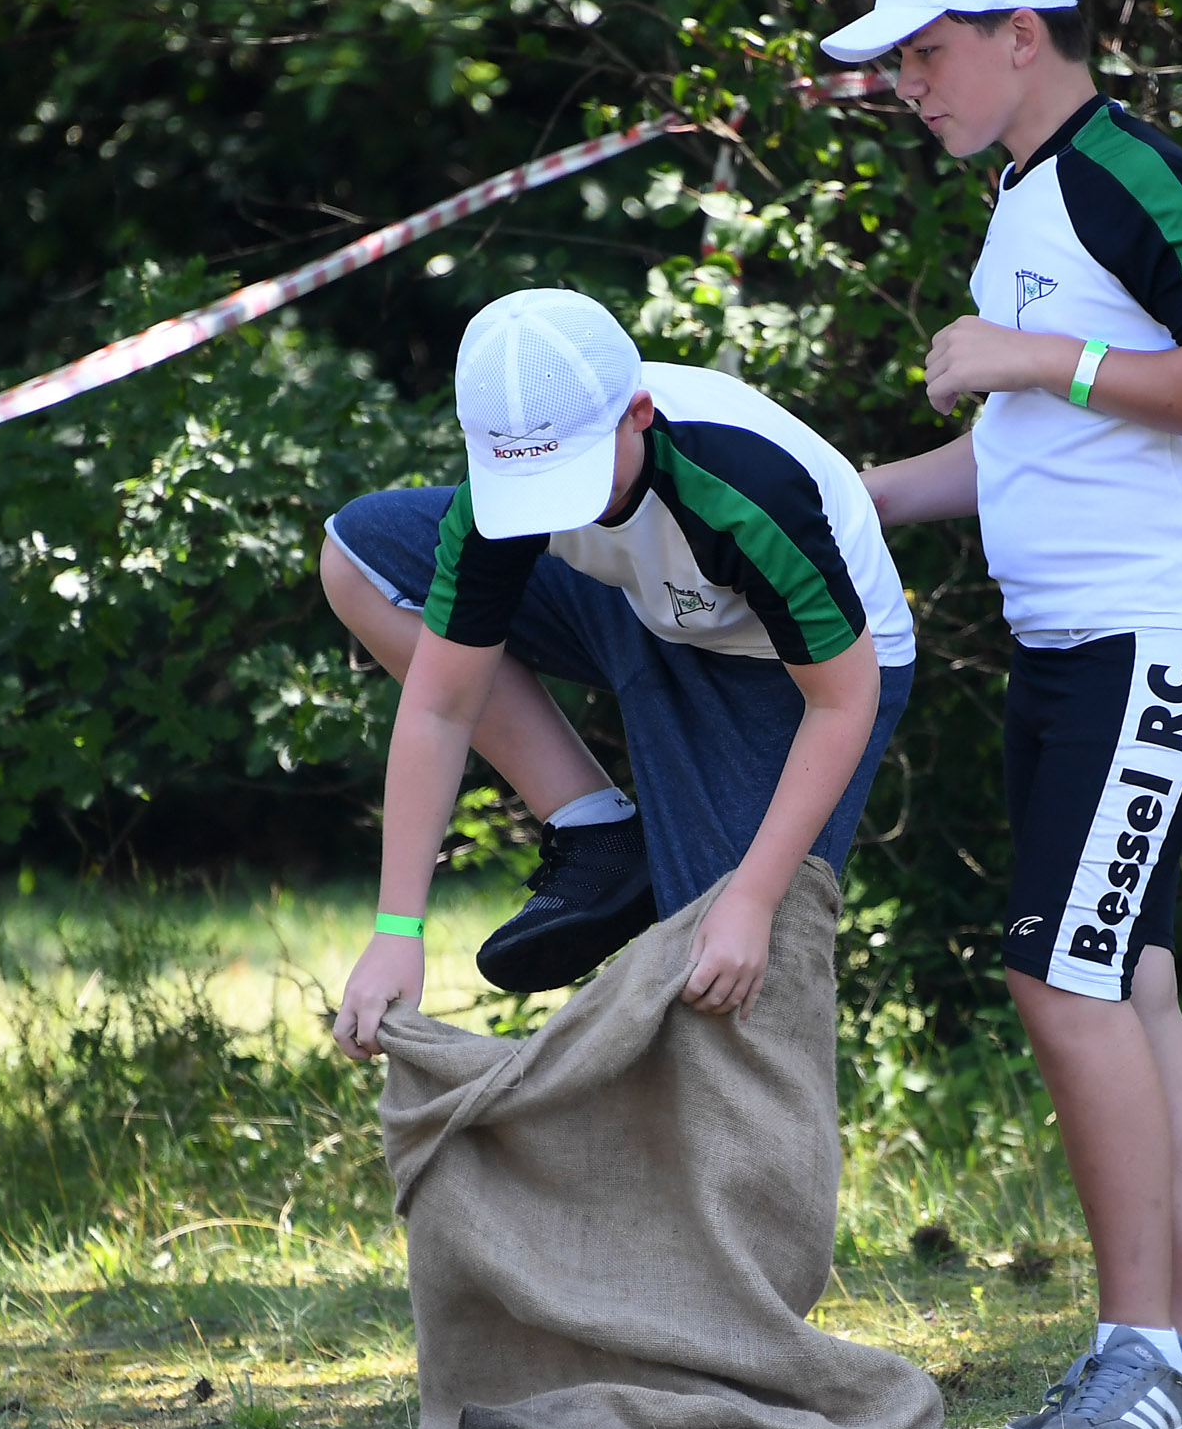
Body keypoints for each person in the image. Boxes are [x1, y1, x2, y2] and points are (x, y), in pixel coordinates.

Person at [823, 0, 1182, 1429]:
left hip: (1154, 638)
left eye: (927, 49)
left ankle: (1141, 1357)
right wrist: (834, 497)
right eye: (893, 57)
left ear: (1024, 35)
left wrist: (1038, 357)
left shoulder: (1127, 175)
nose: (906, 80)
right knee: (1130, 978)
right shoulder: (1029, 191)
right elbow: (1026, 450)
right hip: (1076, 647)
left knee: (1063, 978)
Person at [324, 286, 917, 1058]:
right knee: (361, 556)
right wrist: (396, 930)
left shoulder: (744, 486)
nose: (551, 510)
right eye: (526, 489)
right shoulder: (507, 491)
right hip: (641, 602)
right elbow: (442, 707)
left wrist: (753, 896)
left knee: (718, 970)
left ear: (635, 414)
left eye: (568, 481)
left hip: (789, 671)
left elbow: (846, 699)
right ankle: (600, 836)